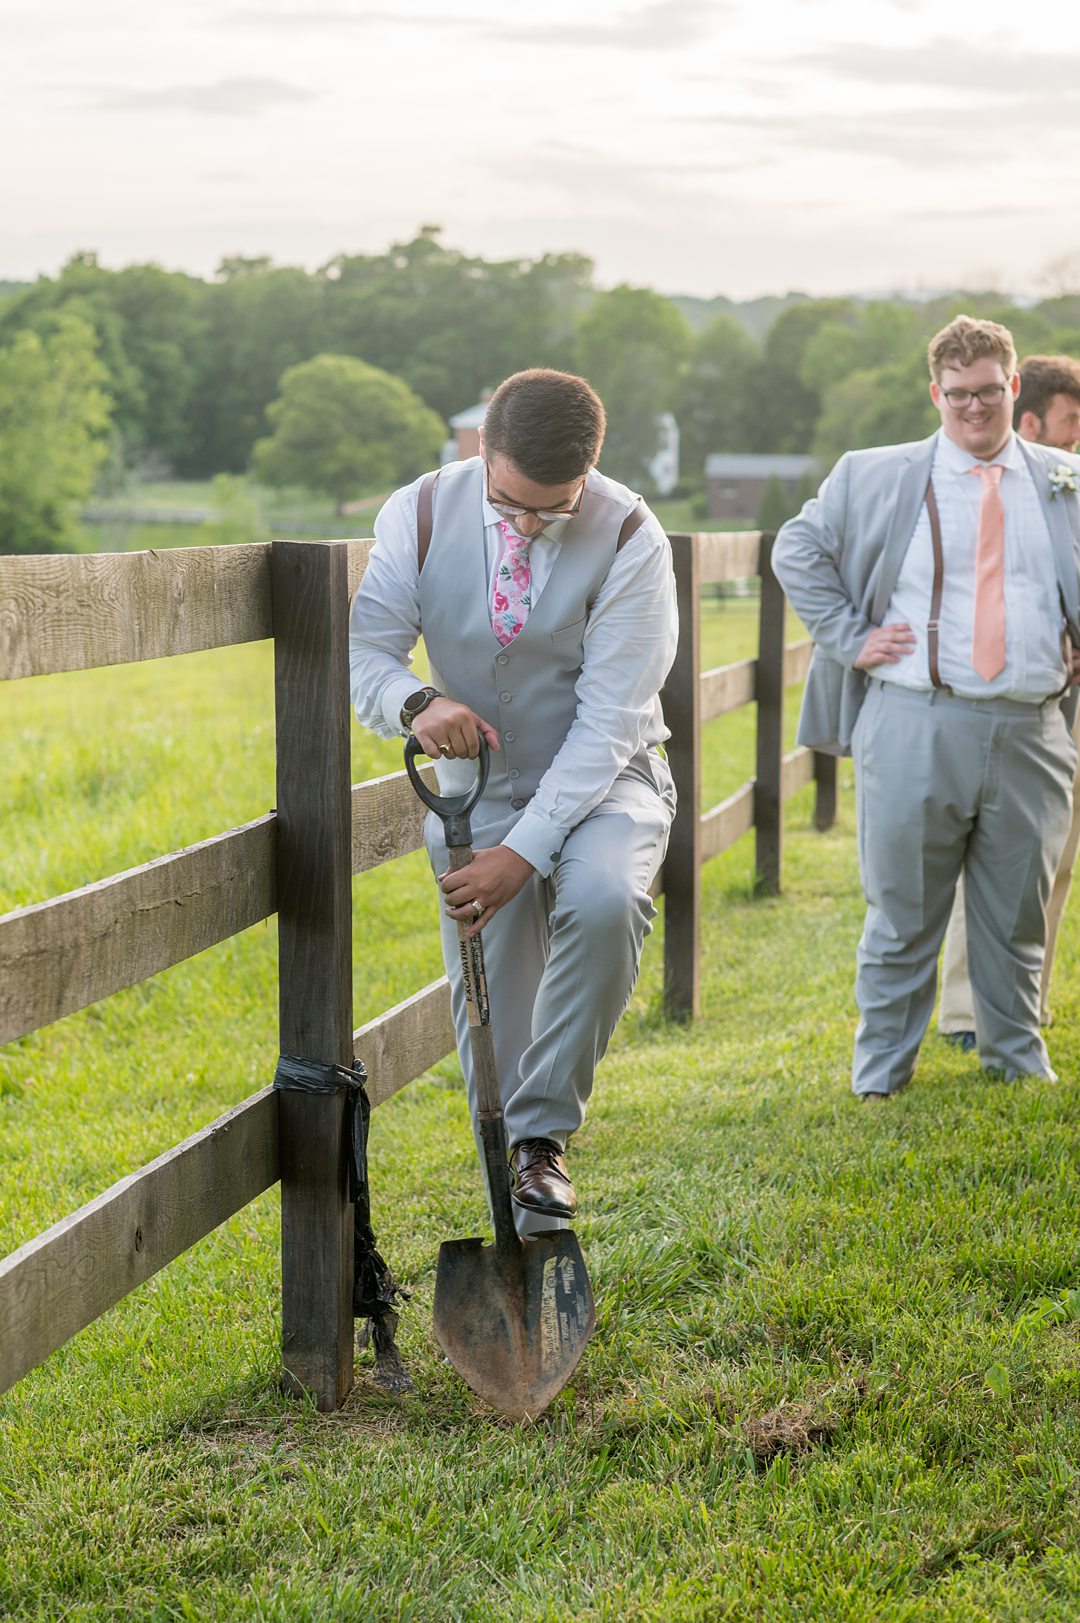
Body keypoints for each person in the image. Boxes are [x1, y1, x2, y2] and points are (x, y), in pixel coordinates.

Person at [349, 368, 678, 1233]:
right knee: (490, 988)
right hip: (476, 792)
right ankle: (528, 1231)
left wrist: (524, 853)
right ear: (482, 452)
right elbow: (369, 655)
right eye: (511, 504)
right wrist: (417, 704)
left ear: (589, 472)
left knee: (608, 898)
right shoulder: (416, 513)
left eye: (553, 509)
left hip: (609, 780)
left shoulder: (633, 534)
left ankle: (541, 1141)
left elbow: (609, 722)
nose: (530, 526)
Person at [773, 316, 1080, 1098]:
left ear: (1013, 387)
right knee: (903, 910)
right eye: (956, 396)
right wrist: (848, 635)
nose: (973, 408)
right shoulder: (873, 474)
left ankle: (1015, 1057)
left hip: (1034, 725)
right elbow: (795, 550)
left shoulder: (1062, 478)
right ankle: (881, 1070)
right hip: (914, 717)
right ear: (934, 394)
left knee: (1017, 911)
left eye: (987, 392)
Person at [938, 354, 1080, 1045]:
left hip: (1062, 703)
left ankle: (1024, 1003)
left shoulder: (1068, 487)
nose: (1077, 440)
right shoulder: (1002, 487)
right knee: (988, 858)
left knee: (1051, 860)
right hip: (1003, 704)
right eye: (1072, 425)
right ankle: (968, 1012)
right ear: (1032, 420)